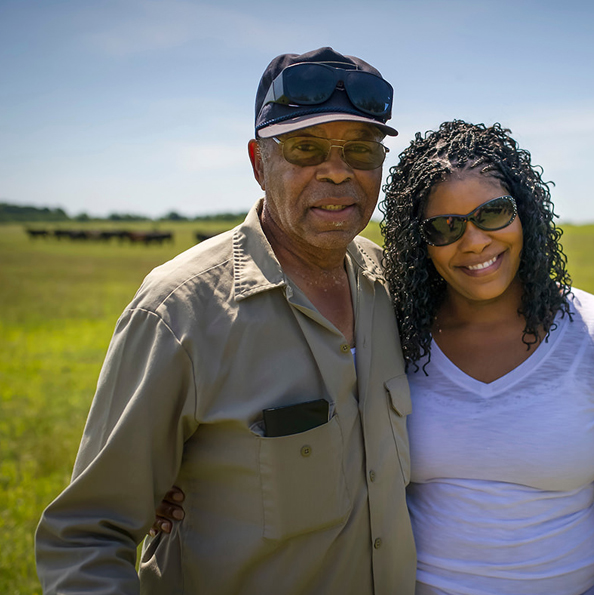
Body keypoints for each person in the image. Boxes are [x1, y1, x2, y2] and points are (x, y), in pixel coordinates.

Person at [35, 47, 416, 595]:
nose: (337, 170)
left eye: (360, 150)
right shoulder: (178, 311)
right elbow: (87, 537)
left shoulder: (389, 285)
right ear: (260, 163)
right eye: (305, 148)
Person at [381, 120, 594, 595]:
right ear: (421, 244)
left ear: (526, 213)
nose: (474, 242)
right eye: (445, 227)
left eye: (493, 213)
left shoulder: (589, 333)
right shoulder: (392, 340)